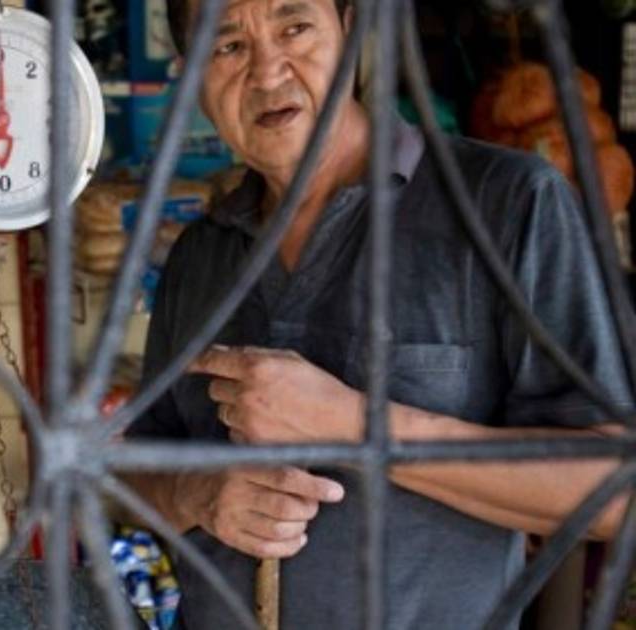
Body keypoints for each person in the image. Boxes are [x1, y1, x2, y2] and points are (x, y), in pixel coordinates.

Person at [121, 0, 636, 627]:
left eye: (294, 28)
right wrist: (194, 493)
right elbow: (133, 470)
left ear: (348, 31)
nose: (268, 71)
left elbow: (612, 493)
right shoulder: (200, 255)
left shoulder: (505, 204)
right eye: (229, 47)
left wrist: (354, 425)